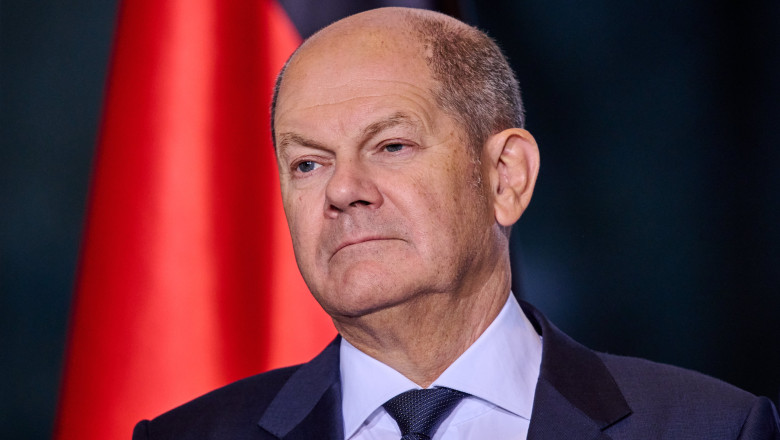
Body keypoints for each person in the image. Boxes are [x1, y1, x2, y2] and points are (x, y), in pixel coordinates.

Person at [132, 7, 780, 440]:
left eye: (391, 146)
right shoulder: (189, 436)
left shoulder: (708, 427)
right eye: (308, 163)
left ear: (505, 177)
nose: (343, 190)